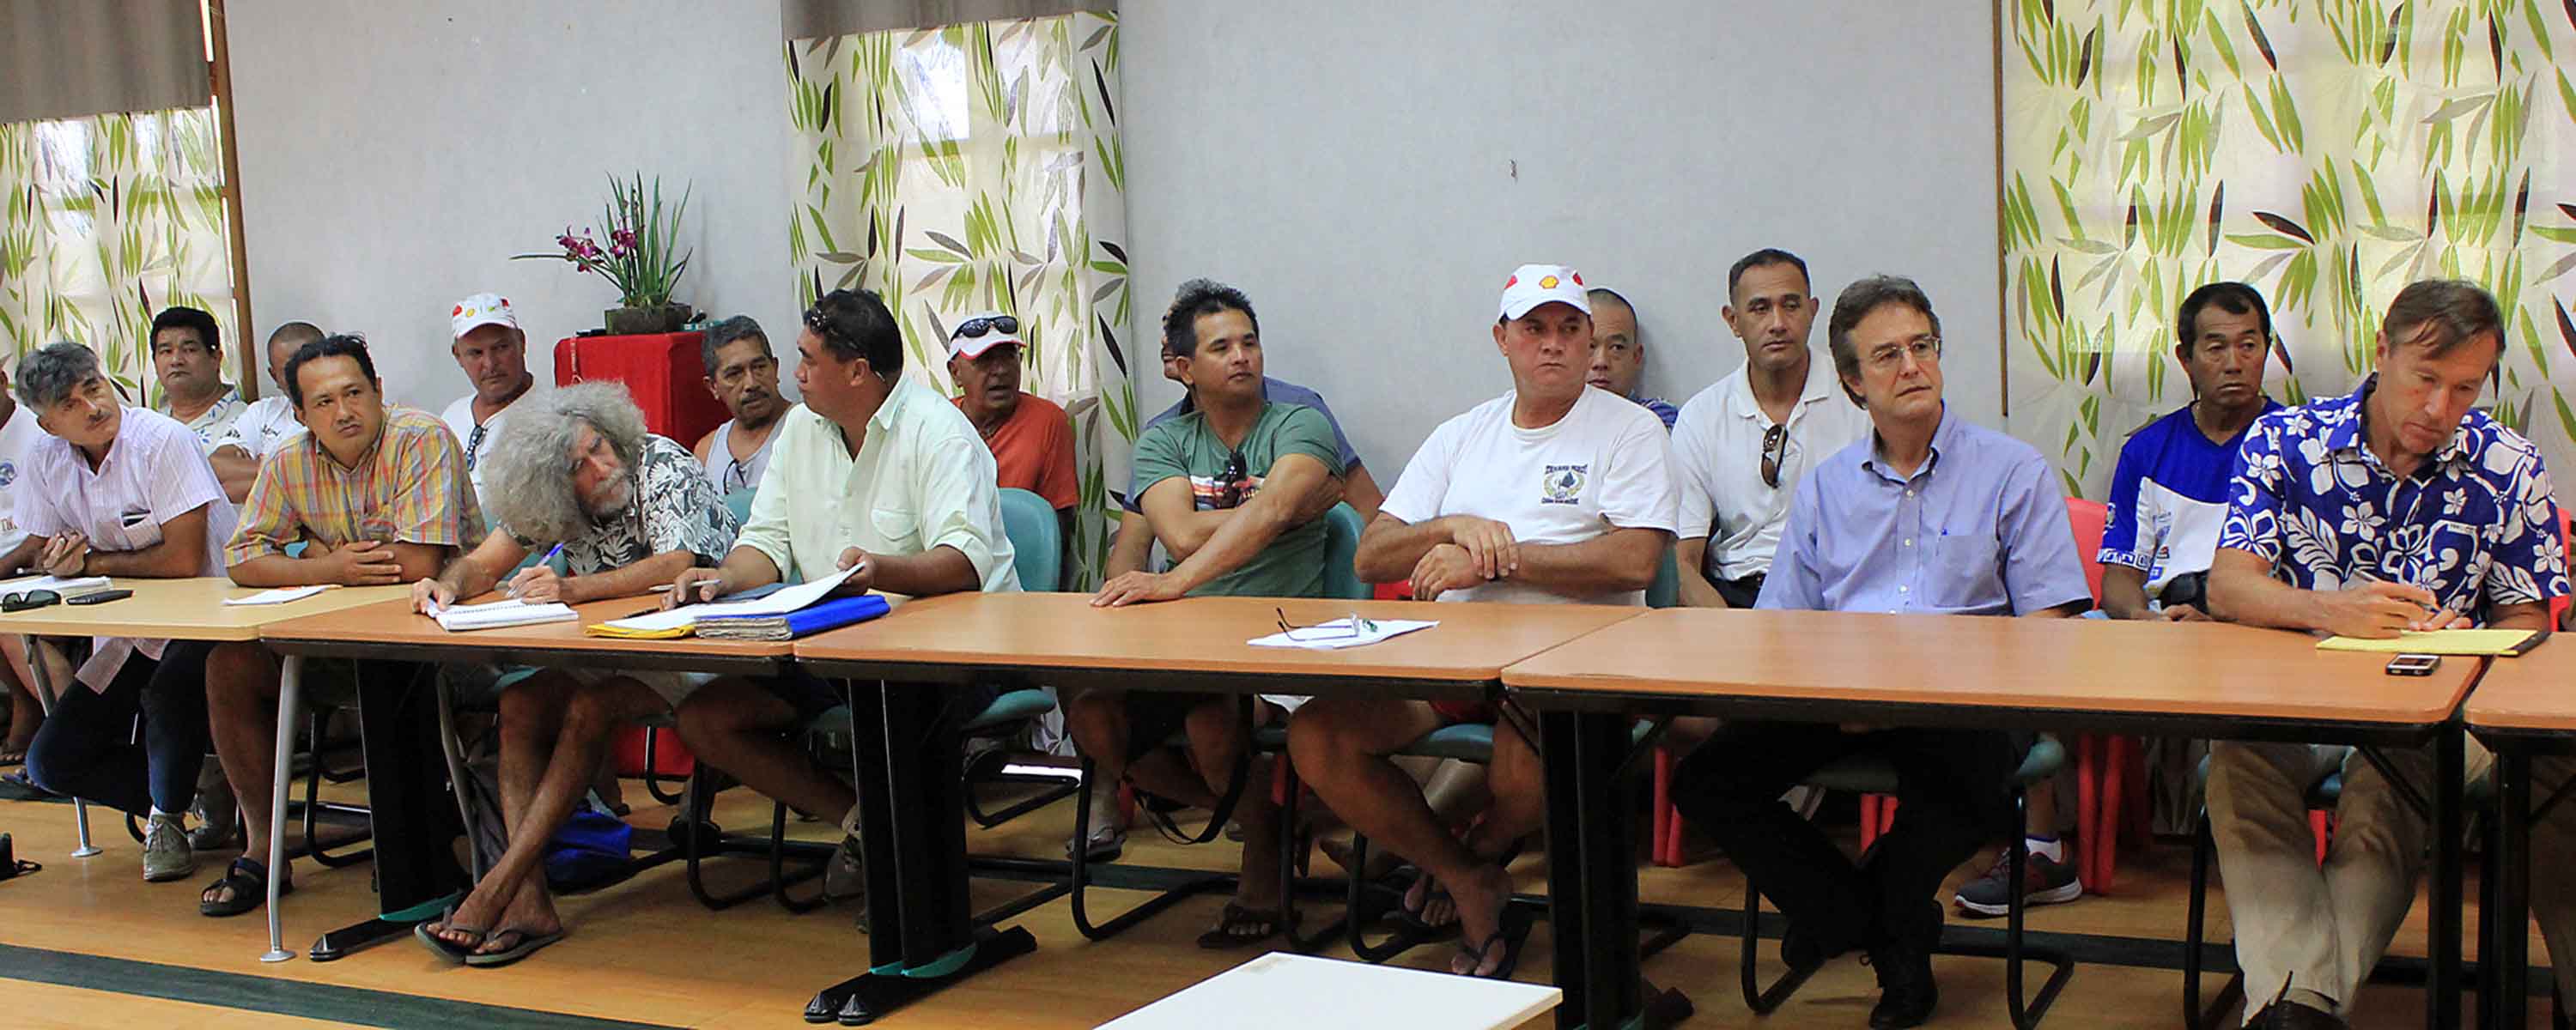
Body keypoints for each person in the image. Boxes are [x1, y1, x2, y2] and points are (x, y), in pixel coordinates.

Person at [1672, 276, 2092, 1029]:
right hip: (1838, 699)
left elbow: (2049, 632)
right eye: (1888, 355)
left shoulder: (2012, 471)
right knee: (1707, 778)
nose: (1912, 367)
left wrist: (1914, 690)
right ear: (1853, 382)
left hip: (1967, 707)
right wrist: (1842, 697)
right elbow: (1782, 628)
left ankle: (1873, 936)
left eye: (1922, 347)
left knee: (1970, 791)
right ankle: (1867, 917)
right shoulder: (1827, 487)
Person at [1290, 264, 1676, 979]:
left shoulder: (1631, 430)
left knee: (1527, 763)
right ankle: (1467, 877)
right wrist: (1456, 528)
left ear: (1593, 341)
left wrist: (1497, 560)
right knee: (1318, 736)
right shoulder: (1463, 433)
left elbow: (1635, 561)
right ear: (1503, 339)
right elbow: (1375, 552)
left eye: (1570, 329)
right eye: (1535, 329)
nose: (1553, 345)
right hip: (1452, 655)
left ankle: (1474, 858)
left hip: (1573, 663)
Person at [2204, 279, 2573, 1030]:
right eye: (2425, 380)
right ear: (2383, 352)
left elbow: (2530, 618)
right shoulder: (2286, 442)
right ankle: (2304, 996)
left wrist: (2471, 641)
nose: (2441, 410)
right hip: (2302, 697)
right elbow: (2229, 586)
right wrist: (2327, 608)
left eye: (2465, 389)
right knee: (2240, 759)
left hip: (2436, 708)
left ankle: (2294, 1005)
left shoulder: (2509, 463)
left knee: (2402, 767)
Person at [666, 288, 1018, 888]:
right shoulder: (802, 429)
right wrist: (721, 576)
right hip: (836, 644)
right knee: (705, 717)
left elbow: (963, 562)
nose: (793, 375)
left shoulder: (938, 431)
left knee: (890, 711)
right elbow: (768, 544)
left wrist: (881, 570)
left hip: (952, 653)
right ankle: (865, 826)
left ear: (857, 372)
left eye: (806, 361)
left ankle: (921, 884)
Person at [410, 382, 738, 964]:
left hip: (697, 644)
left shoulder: (659, 461)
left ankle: (494, 889)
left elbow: (677, 562)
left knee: (591, 707)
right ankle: (530, 899)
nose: (599, 467)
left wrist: (572, 588)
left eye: (598, 448)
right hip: (612, 649)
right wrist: (449, 584)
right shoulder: (553, 497)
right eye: (579, 466)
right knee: (519, 705)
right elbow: (486, 562)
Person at [1078, 280, 1346, 948]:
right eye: (1221, 347)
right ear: (1184, 368)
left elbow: (1278, 509)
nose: (1242, 357)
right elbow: (1181, 536)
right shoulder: (1164, 439)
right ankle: (1268, 817)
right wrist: (1266, 515)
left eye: (1249, 342)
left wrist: (1263, 519)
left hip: (1285, 637)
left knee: (1211, 714)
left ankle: (1260, 847)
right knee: (1090, 710)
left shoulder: (1302, 422)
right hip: (1184, 636)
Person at [197, 334, 483, 917]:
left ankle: (422, 855)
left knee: (394, 673)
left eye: (355, 393)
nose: (343, 411)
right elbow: (243, 557)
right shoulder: (289, 460)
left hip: (445, 641)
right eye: (323, 403)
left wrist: (312, 561)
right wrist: (333, 564)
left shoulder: (420, 438)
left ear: (379, 392)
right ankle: (264, 849)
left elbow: (416, 565)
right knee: (229, 665)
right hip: (342, 638)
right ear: (300, 415)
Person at [14, 342, 240, 884]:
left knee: (166, 693)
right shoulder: (46, 459)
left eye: (93, 388)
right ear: (48, 425)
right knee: (50, 763)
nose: (92, 407)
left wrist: (90, 559)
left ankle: (166, 817)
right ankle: (198, 789)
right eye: (70, 404)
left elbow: (185, 561)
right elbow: (39, 545)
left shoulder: (162, 440)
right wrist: (53, 559)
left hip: (214, 615)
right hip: (131, 627)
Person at [1670, 248, 1868, 608]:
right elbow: (1681, 562)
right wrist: (1728, 635)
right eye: (1760, 308)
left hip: (1840, 597)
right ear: (1732, 320)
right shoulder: (1702, 416)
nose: (1777, 323)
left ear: (1813, 310)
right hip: (1735, 598)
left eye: (1791, 305)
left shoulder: (1860, 399)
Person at [2097, 282, 2283, 621]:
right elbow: (2120, 576)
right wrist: (2146, 621)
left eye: (2248, 346)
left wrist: (2218, 628)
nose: (2234, 364)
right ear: (2186, 359)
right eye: (2216, 348)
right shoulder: (2146, 451)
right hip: (2161, 627)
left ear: (2266, 351)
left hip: (2258, 629)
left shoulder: (2294, 445)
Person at [947, 312, 1079, 552]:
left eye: (1009, 357)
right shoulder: (939, 422)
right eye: (985, 360)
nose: (1000, 370)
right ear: (956, 372)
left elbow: (1059, 521)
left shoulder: (1047, 420)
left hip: (1021, 566)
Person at [443, 293, 539, 511]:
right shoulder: (451, 416)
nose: (490, 364)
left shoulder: (550, 416)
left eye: (501, 348)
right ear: (457, 356)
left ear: (522, 343)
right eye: (476, 353)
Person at [210, 321, 327, 496]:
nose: (301, 374)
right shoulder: (262, 411)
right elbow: (217, 466)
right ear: (274, 376)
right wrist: (296, 480)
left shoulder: (343, 414)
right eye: (290, 369)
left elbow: (329, 483)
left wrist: (259, 470)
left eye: (309, 363)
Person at [149, 307, 254, 496]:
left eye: (189, 349)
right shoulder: (148, 427)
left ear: (216, 358)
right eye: (166, 351)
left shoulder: (248, 424)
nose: (176, 360)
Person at [692, 315, 792, 498]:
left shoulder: (807, 429)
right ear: (713, 386)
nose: (751, 383)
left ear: (775, 368)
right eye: (734, 374)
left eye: (759, 367)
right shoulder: (706, 452)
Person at [1584, 288, 1678, 428]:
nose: (1601, 362)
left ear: (1636, 357)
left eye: (1616, 348)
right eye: (1590, 346)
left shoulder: (1656, 420)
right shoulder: (1547, 420)